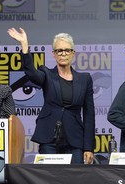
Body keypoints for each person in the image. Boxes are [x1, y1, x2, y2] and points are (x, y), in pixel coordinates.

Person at [7, 27, 95, 164]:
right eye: (59, 50)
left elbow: (89, 114)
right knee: (49, 180)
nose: (63, 53)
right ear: (54, 54)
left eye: (67, 50)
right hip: (49, 139)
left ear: (73, 53)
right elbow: (31, 73)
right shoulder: (47, 74)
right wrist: (24, 45)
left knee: (76, 181)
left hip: (75, 140)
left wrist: (89, 147)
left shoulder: (85, 79)